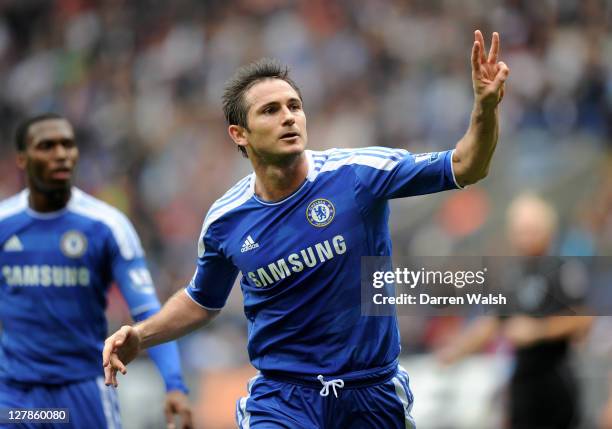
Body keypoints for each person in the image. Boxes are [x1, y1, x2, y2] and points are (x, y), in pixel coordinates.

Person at [104, 30, 509, 428]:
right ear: (239, 134)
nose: (288, 117)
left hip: (371, 392)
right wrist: (142, 335)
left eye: (294, 106)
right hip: (283, 400)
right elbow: (201, 301)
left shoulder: (357, 175)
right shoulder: (226, 220)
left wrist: (485, 109)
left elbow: (466, 166)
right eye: (270, 110)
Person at [0, 114, 193, 429]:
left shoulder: (107, 226)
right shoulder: (4, 223)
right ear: (22, 158)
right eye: (47, 146)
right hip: (15, 395)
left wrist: (173, 383)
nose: (60, 154)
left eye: (67, 145)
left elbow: (146, 310)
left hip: (84, 391)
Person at [438, 193, 593, 429]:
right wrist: (457, 350)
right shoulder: (511, 274)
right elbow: (493, 322)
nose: (526, 237)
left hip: (555, 378)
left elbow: (583, 320)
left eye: (532, 229)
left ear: (548, 230)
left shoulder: (563, 269)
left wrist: (539, 330)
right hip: (522, 381)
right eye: (521, 230)